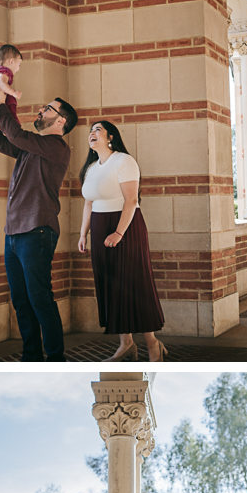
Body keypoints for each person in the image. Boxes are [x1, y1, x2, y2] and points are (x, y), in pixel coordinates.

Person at [0, 83, 77, 362]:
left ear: (61, 120)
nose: (40, 109)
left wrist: (2, 105)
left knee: (40, 299)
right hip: (12, 234)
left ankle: (56, 359)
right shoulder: (30, 147)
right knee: (21, 302)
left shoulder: (56, 147)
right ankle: (31, 357)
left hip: (37, 230)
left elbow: (15, 133)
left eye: (47, 108)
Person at [78, 120, 166, 362]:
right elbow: (88, 202)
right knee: (110, 286)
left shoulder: (124, 161)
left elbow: (131, 200)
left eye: (97, 130)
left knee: (133, 286)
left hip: (125, 227)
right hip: (98, 227)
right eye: (90, 131)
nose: (92, 134)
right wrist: (83, 233)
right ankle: (126, 343)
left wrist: (118, 233)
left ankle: (152, 344)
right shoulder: (91, 167)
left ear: (111, 137)